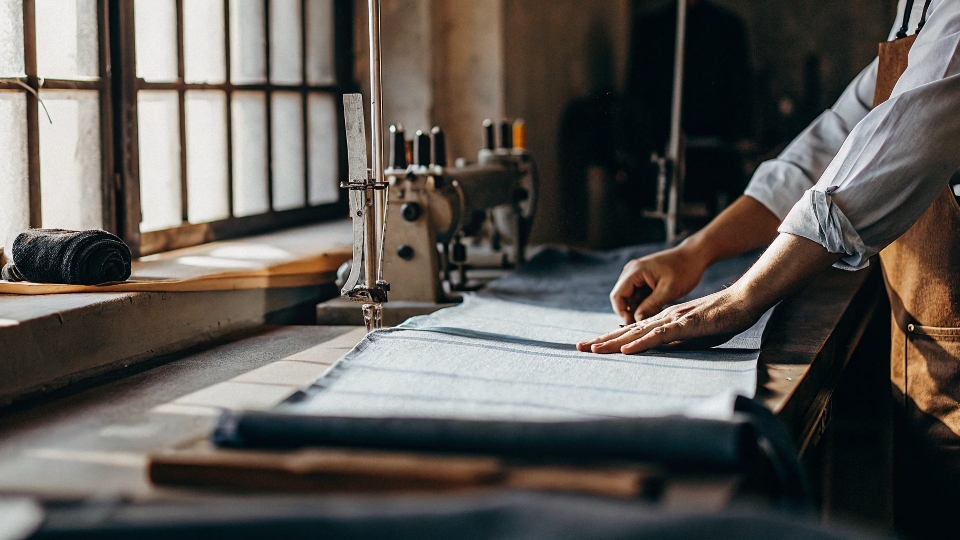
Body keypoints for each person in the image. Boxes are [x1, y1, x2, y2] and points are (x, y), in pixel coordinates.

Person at [577, 0, 960, 536]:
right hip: (928, 358)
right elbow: (829, 145)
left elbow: (901, 145)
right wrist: (698, 250)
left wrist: (741, 299)